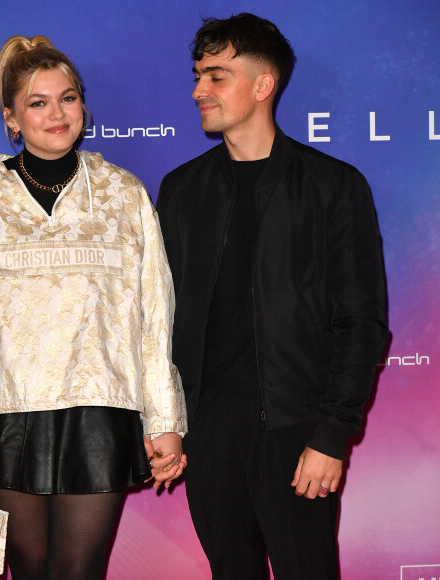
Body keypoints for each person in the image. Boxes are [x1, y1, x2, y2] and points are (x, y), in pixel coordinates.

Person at [0, 35, 187, 580]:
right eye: (38, 102)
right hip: (6, 410)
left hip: (100, 410)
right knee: (30, 567)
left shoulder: (123, 194)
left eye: (68, 97)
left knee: (78, 570)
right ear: (12, 118)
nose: (57, 113)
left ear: (83, 106)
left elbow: (154, 318)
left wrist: (164, 420)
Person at [156, 13, 388, 580]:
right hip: (207, 435)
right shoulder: (182, 191)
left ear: (263, 85)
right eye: (197, 76)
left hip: (296, 431)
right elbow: (155, 319)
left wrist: (331, 437)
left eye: (216, 76)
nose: (198, 91)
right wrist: (165, 421)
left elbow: (361, 323)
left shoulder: (333, 186)